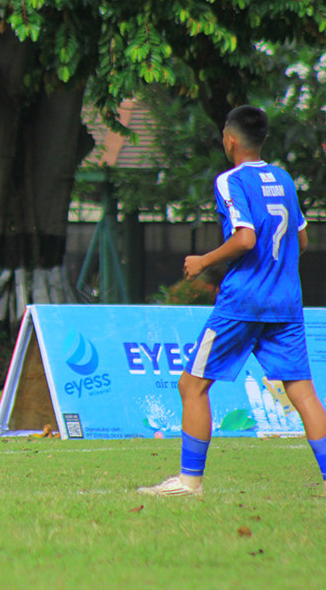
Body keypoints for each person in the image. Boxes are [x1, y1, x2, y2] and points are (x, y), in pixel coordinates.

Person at [138, 105, 326, 497]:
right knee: (303, 392)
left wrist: (203, 261)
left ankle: (189, 482)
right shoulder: (284, 179)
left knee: (192, 385)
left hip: (243, 302)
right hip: (286, 303)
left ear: (229, 139)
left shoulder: (230, 181)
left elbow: (245, 238)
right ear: (263, 139)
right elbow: (302, 240)